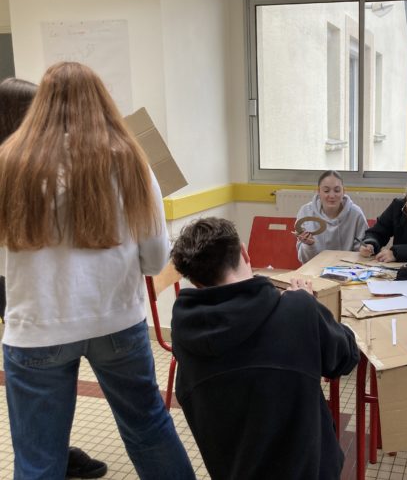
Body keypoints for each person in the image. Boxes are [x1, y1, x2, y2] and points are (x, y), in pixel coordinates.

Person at [0, 63, 196, 479]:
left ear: (41, 104)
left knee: (39, 456)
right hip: (117, 321)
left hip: (37, 329)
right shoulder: (131, 161)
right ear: (101, 102)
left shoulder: (10, 163)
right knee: (148, 427)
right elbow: (155, 259)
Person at [170, 217, 359, 480]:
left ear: (196, 280)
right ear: (245, 253)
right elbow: (346, 358)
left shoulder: (186, 334)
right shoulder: (298, 309)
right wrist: (311, 307)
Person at [0, 76, 109, 479]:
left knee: (39, 391)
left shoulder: (38, 165)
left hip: (37, 297)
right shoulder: (13, 169)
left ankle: (55, 453)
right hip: (20, 294)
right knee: (31, 390)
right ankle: (49, 456)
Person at [296, 170, 368, 263]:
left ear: (343, 191)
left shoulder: (356, 214)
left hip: (347, 268)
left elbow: (361, 253)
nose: (332, 195)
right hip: (314, 266)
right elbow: (304, 260)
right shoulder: (306, 212)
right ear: (318, 191)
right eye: (326, 191)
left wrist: (365, 250)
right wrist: (309, 245)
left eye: (337, 190)